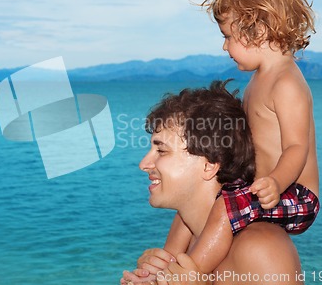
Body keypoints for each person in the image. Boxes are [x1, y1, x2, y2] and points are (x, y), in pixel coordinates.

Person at [121, 81, 304, 285]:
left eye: (161, 151)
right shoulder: (186, 243)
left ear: (209, 165)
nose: (143, 164)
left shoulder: (261, 247)